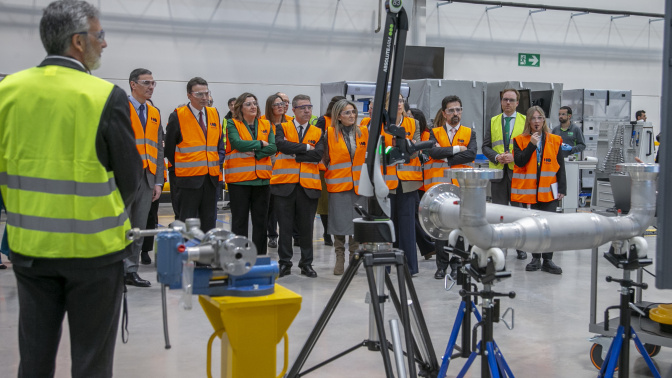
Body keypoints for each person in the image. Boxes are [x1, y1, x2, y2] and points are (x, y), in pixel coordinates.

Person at [0, 1, 142, 376]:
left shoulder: (7, 91)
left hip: (30, 250)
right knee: (91, 361)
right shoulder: (101, 96)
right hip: (94, 254)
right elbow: (131, 180)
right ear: (78, 42)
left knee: (33, 358)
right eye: (100, 35)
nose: (105, 44)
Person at [425, 96, 477, 279]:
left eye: (458, 109)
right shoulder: (435, 132)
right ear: (444, 113)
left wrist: (445, 155)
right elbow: (432, 152)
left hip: (462, 188)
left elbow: (471, 155)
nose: (455, 113)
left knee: (460, 228)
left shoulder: (470, 132)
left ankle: (457, 265)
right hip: (441, 189)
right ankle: (442, 266)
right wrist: (457, 149)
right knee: (441, 229)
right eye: (451, 110)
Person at [273, 95, 324, 278]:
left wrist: (297, 153)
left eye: (309, 107)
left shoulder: (318, 132)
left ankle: (306, 264)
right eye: (302, 108)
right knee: (284, 228)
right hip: (284, 185)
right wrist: (306, 148)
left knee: (306, 228)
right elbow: (281, 145)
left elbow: (318, 155)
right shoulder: (282, 127)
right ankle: (285, 263)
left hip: (308, 187)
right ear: (293, 110)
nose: (307, 111)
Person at [165, 77, 224, 233]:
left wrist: (216, 162)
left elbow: (219, 144)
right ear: (189, 95)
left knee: (209, 223)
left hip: (211, 179)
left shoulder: (214, 113)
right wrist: (185, 165)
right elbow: (170, 148)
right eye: (200, 94)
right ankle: (187, 256)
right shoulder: (178, 115)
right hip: (188, 180)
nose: (204, 98)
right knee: (187, 224)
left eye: (206, 93)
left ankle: (205, 257)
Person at [512, 106, 566, 275]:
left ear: (544, 120)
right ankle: (535, 258)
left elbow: (560, 167)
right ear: (528, 121)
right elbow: (520, 162)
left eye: (539, 118)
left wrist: (562, 189)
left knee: (549, 226)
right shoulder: (519, 140)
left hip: (549, 191)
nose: (536, 121)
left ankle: (548, 260)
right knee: (535, 227)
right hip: (531, 192)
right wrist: (531, 145)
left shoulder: (555, 140)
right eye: (533, 118)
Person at [124, 68, 164, 287]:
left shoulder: (154, 112)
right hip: (124, 177)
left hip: (148, 178)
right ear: (133, 84)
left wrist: (159, 181)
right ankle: (116, 268)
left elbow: (158, 149)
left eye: (153, 83)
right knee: (121, 226)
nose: (151, 87)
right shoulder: (121, 107)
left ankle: (131, 270)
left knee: (138, 227)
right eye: (146, 82)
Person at [225, 92, 276, 255]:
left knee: (261, 222)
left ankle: (260, 256)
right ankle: (239, 255)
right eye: (248, 104)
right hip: (239, 181)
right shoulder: (233, 124)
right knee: (239, 221)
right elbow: (237, 144)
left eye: (255, 103)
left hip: (262, 181)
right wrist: (260, 143)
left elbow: (273, 147)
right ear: (240, 107)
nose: (253, 106)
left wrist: (257, 153)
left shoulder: (266, 124)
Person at [482, 88, 527, 260]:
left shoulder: (524, 121)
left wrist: (513, 157)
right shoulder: (493, 121)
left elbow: (530, 148)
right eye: (505, 99)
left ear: (517, 103)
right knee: (499, 212)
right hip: (499, 173)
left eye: (511, 100)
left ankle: (520, 246)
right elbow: (485, 146)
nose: (507, 103)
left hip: (517, 173)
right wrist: (496, 156)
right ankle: (499, 246)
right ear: (501, 102)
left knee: (518, 213)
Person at [324, 99, 368, 275]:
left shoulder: (363, 132)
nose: (352, 115)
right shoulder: (329, 133)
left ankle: (354, 257)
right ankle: (339, 257)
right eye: (347, 113)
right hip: (338, 184)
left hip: (359, 185)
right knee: (339, 223)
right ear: (338, 116)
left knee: (357, 224)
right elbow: (324, 158)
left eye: (353, 112)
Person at [382, 93, 422, 275]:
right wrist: (400, 149)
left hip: (408, 182)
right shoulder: (380, 124)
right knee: (388, 226)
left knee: (407, 226)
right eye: (394, 101)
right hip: (386, 181)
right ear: (386, 104)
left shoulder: (413, 123)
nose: (398, 104)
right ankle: (388, 265)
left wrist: (405, 150)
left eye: (400, 100)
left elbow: (416, 150)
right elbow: (378, 150)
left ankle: (410, 267)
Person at [315, 96, 347, 247]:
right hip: (325, 168)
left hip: (343, 171)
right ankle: (328, 233)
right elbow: (318, 141)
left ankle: (338, 232)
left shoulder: (347, 123)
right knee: (325, 204)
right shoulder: (323, 121)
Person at [411, 108, 437, 261]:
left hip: (424, 182)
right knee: (417, 217)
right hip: (415, 181)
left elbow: (426, 157)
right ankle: (428, 246)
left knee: (419, 217)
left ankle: (428, 245)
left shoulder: (427, 136)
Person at [261, 94, 286, 248]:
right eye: (276, 104)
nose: (280, 106)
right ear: (270, 107)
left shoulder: (290, 122)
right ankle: (272, 235)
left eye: (282, 103)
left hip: (287, 168)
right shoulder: (263, 123)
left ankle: (289, 235)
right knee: (270, 205)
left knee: (283, 205)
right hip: (268, 167)